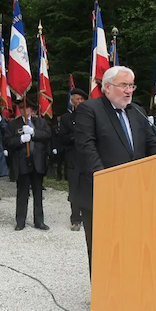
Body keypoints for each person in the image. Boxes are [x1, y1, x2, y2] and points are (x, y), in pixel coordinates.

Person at [74, 66, 156, 273]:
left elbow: (153, 143)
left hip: (138, 192)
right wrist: (106, 181)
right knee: (103, 248)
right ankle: (104, 297)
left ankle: (129, 288)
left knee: (133, 245)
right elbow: (87, 148)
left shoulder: (137, 111)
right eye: (123, 85)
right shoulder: (90, 110)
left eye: (131, 85)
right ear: (107, 87)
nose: (128, 90)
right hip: (102, 193)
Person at [5, 98, 52, 231]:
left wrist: (34, 133)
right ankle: (20, 221)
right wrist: (20, 139)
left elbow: (48, 135)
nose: (24, 110)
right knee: (22, 193)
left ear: (31, 110)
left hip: (37, 161)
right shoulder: (13, 124)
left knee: (38, 193)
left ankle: (39, 221)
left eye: (26, 108)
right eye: (21, 108)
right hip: (22, 162)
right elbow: (7, 142)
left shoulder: (40, 122)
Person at [61, 88, 88, 231]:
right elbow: (62, 138)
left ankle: (88, 215)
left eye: (80, 99)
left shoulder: (92, 116)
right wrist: (75, 137)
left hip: (88, 158)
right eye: (75, 99)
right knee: (74, 188)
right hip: (73, 158)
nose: (78, 102)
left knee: (89, 187)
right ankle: (75, 218)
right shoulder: (67, 118)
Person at [51, 115, 65, 181]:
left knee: (66, 163)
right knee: (59, 163)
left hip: (64, 146)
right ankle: (59, 176)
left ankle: (66, 176)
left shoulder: (65, 126)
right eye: (58, 117)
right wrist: (54, 147)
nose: (59, 118)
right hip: (58, 147)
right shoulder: (54, 127)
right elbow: (53, 138)